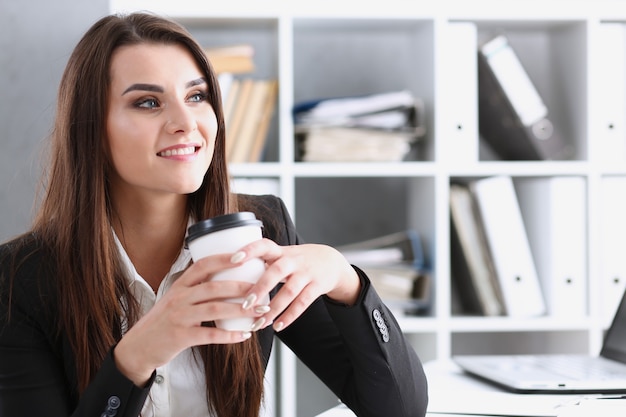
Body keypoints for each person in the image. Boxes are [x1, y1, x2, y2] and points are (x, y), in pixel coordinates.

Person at [0, 11, 428, 417]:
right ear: (90, 128)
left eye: (197, 96)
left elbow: (398, 409)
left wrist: (345, 280)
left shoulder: (263, 229)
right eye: (148, 102)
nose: (186, 122)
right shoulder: (20, 278)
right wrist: (134, 359)